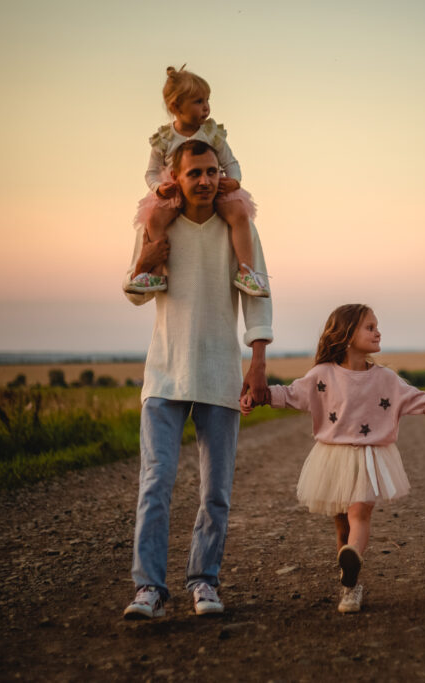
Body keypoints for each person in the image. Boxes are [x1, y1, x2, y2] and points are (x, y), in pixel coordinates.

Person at [121, 139, 273, 620]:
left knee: (216, 491)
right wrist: (146, 258)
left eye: (211, 171)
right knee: (156, 482)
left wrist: (258, 360)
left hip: (219, 373)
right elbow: (136, 293)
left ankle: (203, 581)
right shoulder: (158, 222)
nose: (205, 181)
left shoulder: (237, 224)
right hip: (165, 374)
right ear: (176, 178)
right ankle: (149, 588)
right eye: (194, 174)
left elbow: (258, 292)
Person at [243, 304, 425, 613]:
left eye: (377, 326)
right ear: (346, 334)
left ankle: (354, 553)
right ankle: (349, 586)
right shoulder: (322, 375)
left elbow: (416, 398)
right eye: (370, 327)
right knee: (342, 526)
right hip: (333, 458)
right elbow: (290, 394)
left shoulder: (385, 378)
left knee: (359, 514)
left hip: (369, 456)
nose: (377, 331)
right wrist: (256, 396)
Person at [125, 64, 269, 298]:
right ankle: (156, 274)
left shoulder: (212, 133)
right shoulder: (164, 138)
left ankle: (246, 271)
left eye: (207, 100)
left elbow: (231, 163)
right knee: (154, 219)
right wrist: (158, 188)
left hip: (214, 191)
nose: (206, 108)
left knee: (239, 213)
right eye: (198, 101)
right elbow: (150, 172)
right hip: (173, 192)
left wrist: (234, 182)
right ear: (176, 107)